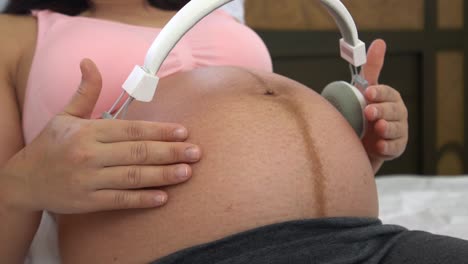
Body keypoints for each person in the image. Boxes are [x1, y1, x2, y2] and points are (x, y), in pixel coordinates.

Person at [0, 0, 409, 263]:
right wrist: (22, 187)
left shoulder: (212, 10)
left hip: (361, 239)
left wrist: (354, 153)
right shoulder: (14, 34)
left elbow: (243, 167)